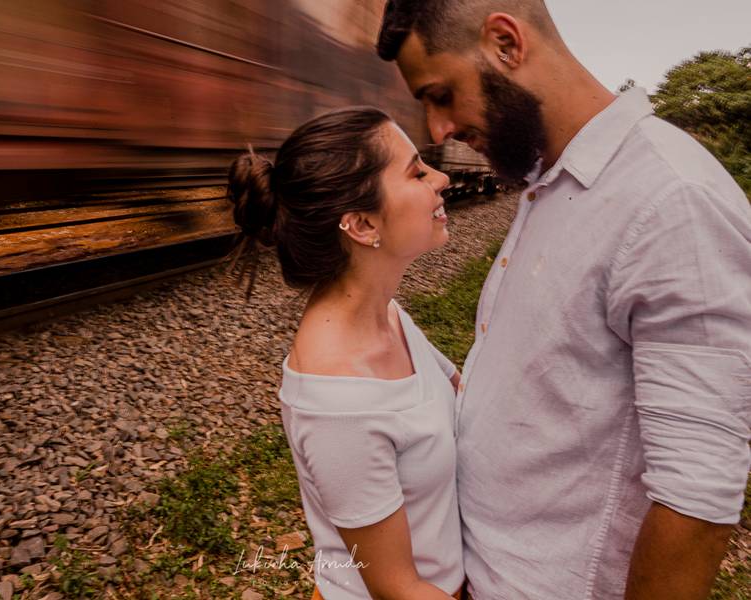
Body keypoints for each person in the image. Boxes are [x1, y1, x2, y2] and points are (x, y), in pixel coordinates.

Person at [375, 1, 751, 599]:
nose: (438, 129)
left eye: (441, 94)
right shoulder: (554, 181)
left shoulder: (672, 200)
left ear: (505, 43)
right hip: (481, 570)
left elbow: (697, 496)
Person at [227, 107, 465, 599]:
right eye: (417, 172)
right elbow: (398, 590)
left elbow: (456, 387)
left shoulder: (390, 316)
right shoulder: (340, 404)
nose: (440, 178)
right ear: (360, 224)